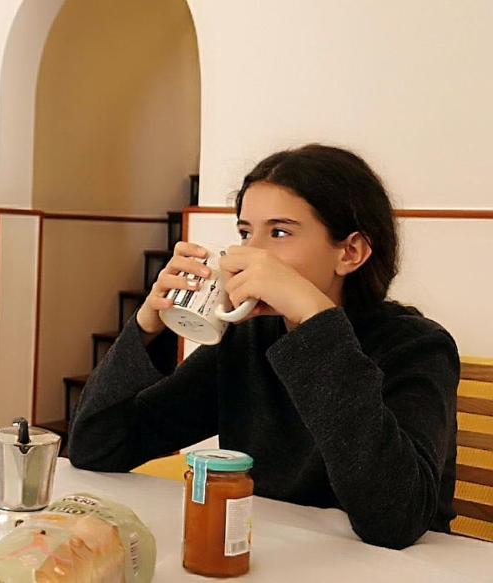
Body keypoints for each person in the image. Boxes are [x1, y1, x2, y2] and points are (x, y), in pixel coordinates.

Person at [69, 144, 459, 550]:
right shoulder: (248, 339)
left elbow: (395, 520)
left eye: (280, 232)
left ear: (350, 252)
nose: (249, 252)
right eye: (244, 232)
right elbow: (97, 447)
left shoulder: (418, 346)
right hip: (272, 554)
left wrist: (313, 320)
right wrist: (147, 324)